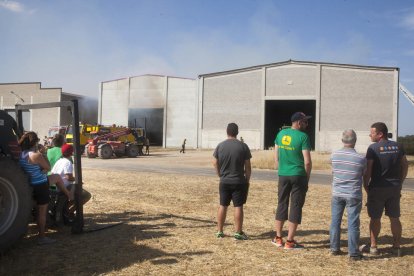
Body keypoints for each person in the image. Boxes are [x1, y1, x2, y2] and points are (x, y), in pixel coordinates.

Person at [18, 131, 73, 245]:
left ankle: (67, 194)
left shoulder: (20, 154)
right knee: (42, 212)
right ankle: (42, 237)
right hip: (40, 184)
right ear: (35, 143)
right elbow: (48, 167)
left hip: (30, 183)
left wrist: (40, 169)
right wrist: (42, 154)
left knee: (57, 177)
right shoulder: (36, 155)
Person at [362, 122, 408, 256]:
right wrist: (400, 182)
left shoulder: (373, 148)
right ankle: (397, 246)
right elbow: (405, 165)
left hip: (377, 188)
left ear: (380, 134)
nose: (370, 135)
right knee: (395, 217)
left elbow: (368, 170)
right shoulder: (399, 146)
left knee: (375, 218)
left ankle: (374, 247)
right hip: (394, 188)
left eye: (372, 133)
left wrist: (366, 186)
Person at [272, 112, 312, 249]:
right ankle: (289, 241)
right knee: (295, 205)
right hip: (298, 174)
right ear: (299, 123)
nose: (307, 124)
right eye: (305, 121)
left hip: (283, 174)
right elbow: (307, 162)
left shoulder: (281, 134)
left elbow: (276, 155)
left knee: (281, 203)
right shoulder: (303, 137)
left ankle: (278, 238)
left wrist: (279, 167)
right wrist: (306, 179)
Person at [330, 129, 366, 261]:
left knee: (335, 221)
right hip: (353, 193)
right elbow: (363, 175)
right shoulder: (361, 158)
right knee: (353, 223)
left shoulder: (334, 155)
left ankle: (334, 248)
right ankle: (353, 252)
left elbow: (333, 172)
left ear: (342, 140)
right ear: (355, 141)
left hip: (337, 192)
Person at [213, 123, 251, 240]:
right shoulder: (243, 146)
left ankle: (219, 231)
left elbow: (214, 162)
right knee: (238, 206)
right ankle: (238, 232)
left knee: (223, 205)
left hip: (224, 180)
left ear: (227, 132)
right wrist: (247, 180)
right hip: (239, 181)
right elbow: (248, 167)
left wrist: (220, 174)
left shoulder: (220, 146)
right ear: (237, 132)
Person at [51, 144, 91, 217]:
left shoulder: (59, 161)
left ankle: (64, 208)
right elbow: (68, 177)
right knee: (86, 195)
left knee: (76, 194)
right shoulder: (68, 162)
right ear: (71, 152)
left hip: (57, 186)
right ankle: (69, 211)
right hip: (65, 186)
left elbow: (52, 173)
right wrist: (77, 180)